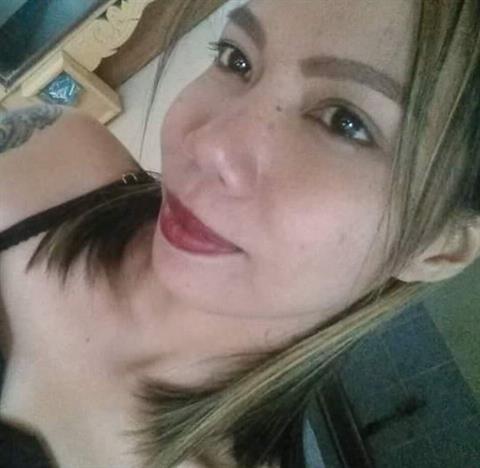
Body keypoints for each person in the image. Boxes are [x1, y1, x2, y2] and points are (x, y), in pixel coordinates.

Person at [0, 0, 479, 467]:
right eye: (237, 59)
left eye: (346, 123)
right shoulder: (48, 158)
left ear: (439, 249)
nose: (207, 145)